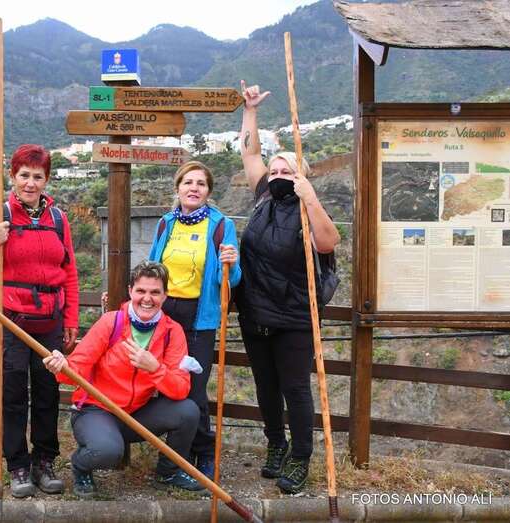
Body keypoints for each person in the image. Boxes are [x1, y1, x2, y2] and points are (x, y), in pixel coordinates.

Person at [235, 81, 340, 494]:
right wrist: (250, 110)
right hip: (255, 312)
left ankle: (300, 457)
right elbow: (249, 153)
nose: (278, 176)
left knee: (295, 388)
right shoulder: (263, 196)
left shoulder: (307, 206)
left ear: (301, 177)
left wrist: (309, 197)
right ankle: (275, 445)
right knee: (265, 387)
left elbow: (328, 243)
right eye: (275, 171)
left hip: (295, 316)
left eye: (287, 172)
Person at [0, 144, 79, 498]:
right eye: (24, 175)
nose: (30, 183)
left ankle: (44, 461)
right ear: (12, 177)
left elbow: (70, 272)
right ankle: (17, 465)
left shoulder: (58, 219)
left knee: (47, 394)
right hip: (9, 320)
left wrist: (71, 319)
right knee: (12, 395)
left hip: (49, 321)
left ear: (47, 180)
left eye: (37, 176)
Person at [43, 261, 204, 498]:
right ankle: (81, 465)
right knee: (108, 451)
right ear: (130, 291)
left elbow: (181, 389)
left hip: (136, 414)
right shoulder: (112, 322)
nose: (147, 299)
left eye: (155, 292)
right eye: (141, 291)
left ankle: (168, 472)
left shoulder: (172, 332)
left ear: (165, 296)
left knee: (188, 411)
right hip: (96, 410)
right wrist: (61, 366)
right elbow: (76, 367)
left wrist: (155, 368)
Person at [146, 160, 241, 479]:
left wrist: (231, 263)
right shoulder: (166, 223)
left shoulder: (221, 225)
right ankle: (176, 454)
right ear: (178, 187)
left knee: (194, 389)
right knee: (165, 383)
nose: (194, 188)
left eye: (201, 183)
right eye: (188, 182)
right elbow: (153, 267)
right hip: (165, 318)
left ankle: (203, 454)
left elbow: (232, 279)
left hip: (200, 319)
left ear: (208, 191)